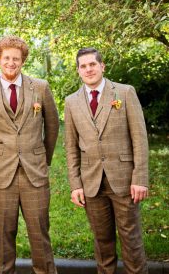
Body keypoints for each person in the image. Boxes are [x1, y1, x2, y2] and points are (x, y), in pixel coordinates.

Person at [0, 35, 60, 274]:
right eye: (6, 58)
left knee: (40, 234)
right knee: (4, 236)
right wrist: (6, 148)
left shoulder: (40, 88)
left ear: (23, 61)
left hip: (34, 173)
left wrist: (42, 158)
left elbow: (52, 126)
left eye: (16, 58)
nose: (11, 63)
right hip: (2, 175)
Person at [64, 47, 149, 274]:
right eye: (83, 66)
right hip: (91, 183)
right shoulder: (71, 102)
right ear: (78, 71)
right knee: (102, 243)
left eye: (92, 64)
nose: (88, 69)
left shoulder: (124, 93)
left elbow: (139, 138)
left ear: (102, 66)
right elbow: (71, 147)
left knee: (131, 240)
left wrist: (140, 178)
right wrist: (75, 184)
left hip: (124, 180)